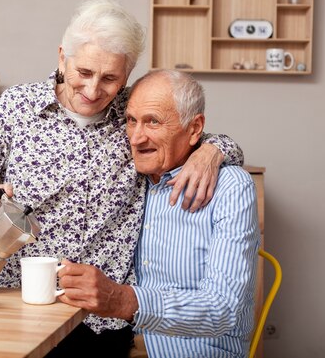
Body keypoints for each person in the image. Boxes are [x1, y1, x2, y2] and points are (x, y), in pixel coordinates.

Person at [0, 0, 244, 357]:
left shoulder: (134, 114)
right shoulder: (18, 106)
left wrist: (214, 151)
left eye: (110, 78)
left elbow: (200, 135)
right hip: (17, 302)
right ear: (61, 58)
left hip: (101, 320)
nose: (93, 89)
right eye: (84, 72)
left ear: (127, 76)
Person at [58, 69, 260, 358]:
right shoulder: (128, 179)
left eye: (153, 121)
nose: (137, 138)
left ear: (194, 129)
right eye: (131, 121)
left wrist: (122, 300)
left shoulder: (231, 188)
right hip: (114, 344)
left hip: (193, 351)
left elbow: (222, 311)